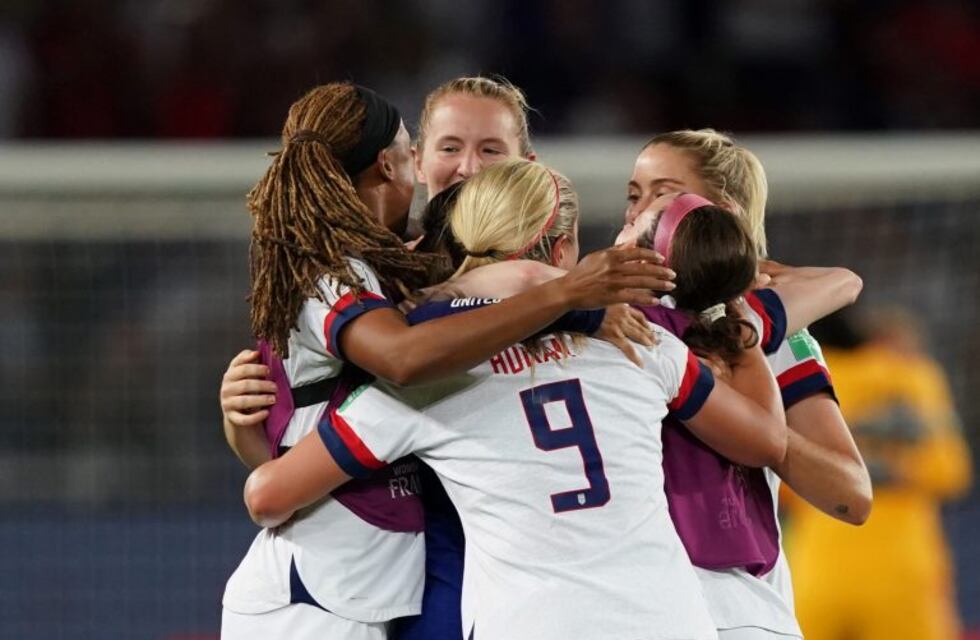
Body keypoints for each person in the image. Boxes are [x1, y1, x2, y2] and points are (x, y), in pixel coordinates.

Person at [240, 159, 791, 640]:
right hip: (669, 619)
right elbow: (764, 441)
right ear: (564, 249)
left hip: (531, 623)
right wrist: (742, 317)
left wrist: (243, 426)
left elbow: (267, 496)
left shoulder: (422, 380)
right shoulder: (642, 340)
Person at [219, 82, 672, 640]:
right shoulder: (345, 271)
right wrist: (564, 301)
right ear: (406, 162)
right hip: (339, 581)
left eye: (490, 151)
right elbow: (402, 361)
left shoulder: (412, 276)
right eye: (448, 147)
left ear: (527, 170)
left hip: (418, 578)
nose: (467, 169)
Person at [787, 307, 972, 640]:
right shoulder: (916, 379)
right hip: (903, 568)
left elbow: (784, 484)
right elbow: (951, 472)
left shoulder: (806, 377)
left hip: (821, 563)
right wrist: (889, 469)